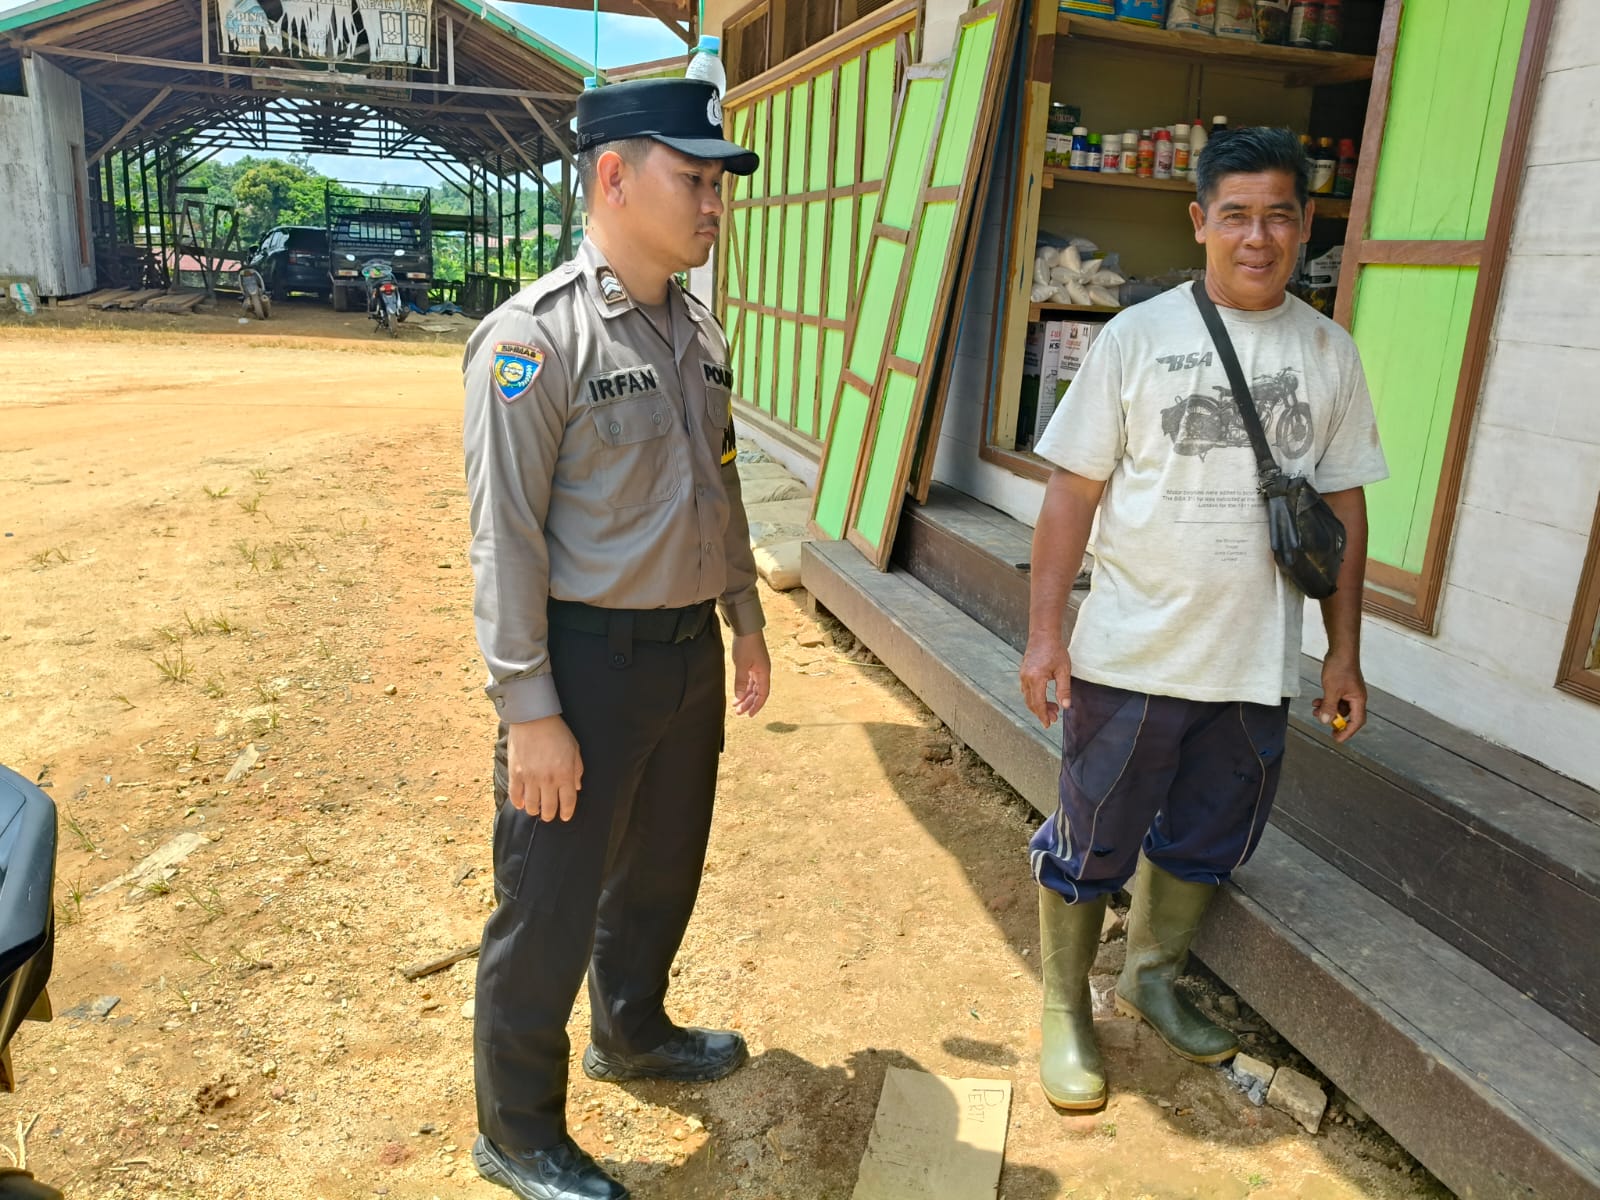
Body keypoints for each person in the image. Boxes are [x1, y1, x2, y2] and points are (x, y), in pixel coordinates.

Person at [1018, 127, 1388, 1112]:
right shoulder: (1136, 338)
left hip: (1252, 663)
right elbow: (1070, 494)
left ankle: (1149, 979)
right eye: (1236, 215)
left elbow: (1343, 511)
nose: (1257, 237)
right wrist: (1046, 634)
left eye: (1278, 216)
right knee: (1091, 838)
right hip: (1132, 655)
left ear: (1305, 224)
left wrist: (1342, 654)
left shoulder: (1328, 351)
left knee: (1205, 839)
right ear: (1200, 222)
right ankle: (1064, 1006)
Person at [461, 78, 771, 1200]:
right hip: (584, 668)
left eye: (718, 184)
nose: (714, 204)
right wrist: (529, 712)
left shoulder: (698, 331)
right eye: (693, 179)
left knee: (661, 868)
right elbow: (504, 539)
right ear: (612, 177)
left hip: (686, 657)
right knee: (547, 903)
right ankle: (517, 1131)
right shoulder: (535, 339)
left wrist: (743, 619)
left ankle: (632, 1028)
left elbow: (719, 488)